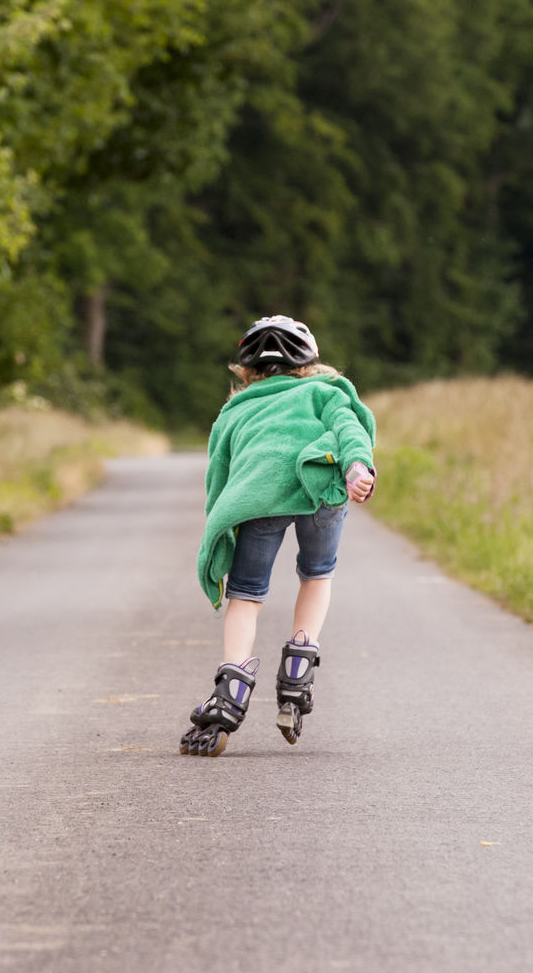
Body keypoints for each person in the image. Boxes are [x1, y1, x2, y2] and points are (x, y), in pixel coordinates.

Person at [182, 315, 377, 757]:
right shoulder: (326, 392)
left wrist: (219, 526)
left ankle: (231, 688)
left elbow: (219, 475)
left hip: (259, 498)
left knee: (247, 595)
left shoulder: (237, 410)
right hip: (321, 491)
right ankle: (298, 670)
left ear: (246, 371)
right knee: (317, 574)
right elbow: (350, 430)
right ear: (309, 362)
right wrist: (357, 466)